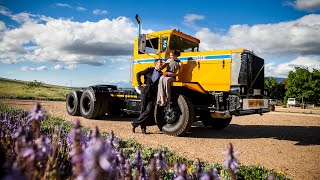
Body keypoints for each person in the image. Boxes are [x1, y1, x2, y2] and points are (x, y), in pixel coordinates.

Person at [131, 59, 163, 134]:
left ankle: (134, 123)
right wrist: (140, 84)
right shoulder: (149, 69)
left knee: (148, 111)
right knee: (143, 110)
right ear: (156, 64)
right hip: (145, 91)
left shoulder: (161, 74)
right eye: (160, 64)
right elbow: (138, 74)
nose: (161, 65)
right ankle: (143, 129)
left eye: (161, 64)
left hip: (153, 93)